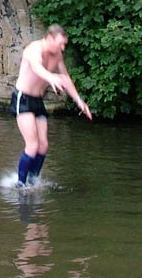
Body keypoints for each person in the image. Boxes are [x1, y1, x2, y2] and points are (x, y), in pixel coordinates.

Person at [11, 24, 92, 187]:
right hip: (23, 98)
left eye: (64, 45)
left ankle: (33, 181)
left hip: (37, 101)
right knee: (32, 145)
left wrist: (79, 102)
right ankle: (20, 185)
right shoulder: (34, 50)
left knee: (43, 146)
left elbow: (66, 78)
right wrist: (50, 77)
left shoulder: (57, 55)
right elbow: (36, 67)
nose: (62, 48)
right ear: (49, 38)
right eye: (60, 43)